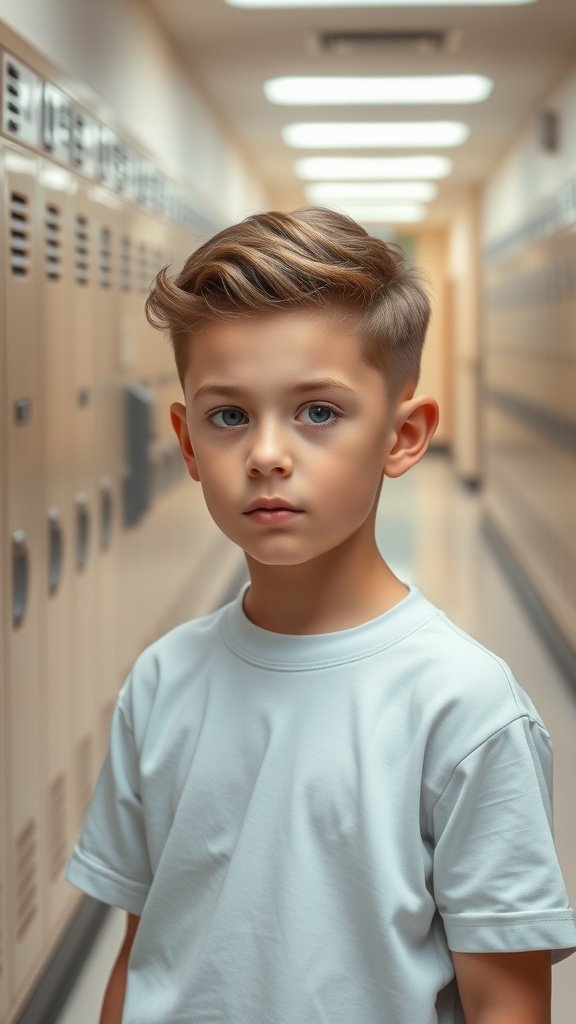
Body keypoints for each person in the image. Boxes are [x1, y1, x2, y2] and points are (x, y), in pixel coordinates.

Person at [64, 207, 576, 1024]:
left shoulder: (465, 704)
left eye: (319, 412)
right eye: (228, 416)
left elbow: (506, 1000)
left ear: (404, 437)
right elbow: (145, 948)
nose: (267, 453)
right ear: (188, 446)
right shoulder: (162, 679)